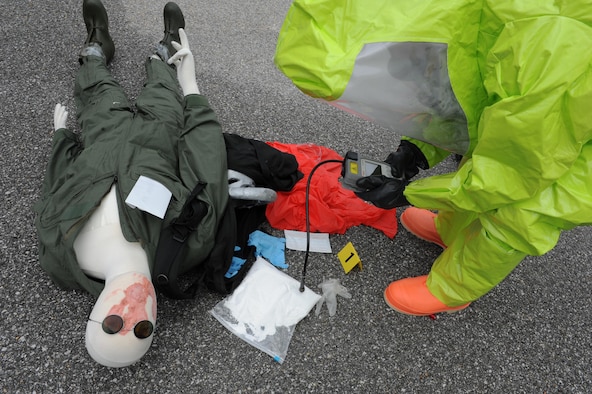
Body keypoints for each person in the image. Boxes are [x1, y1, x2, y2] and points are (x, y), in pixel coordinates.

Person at [274, 1, 592, 316]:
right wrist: (414, 151)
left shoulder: (543, 57)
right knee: (482, 151)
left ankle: (452, 289)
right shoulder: (481, 22)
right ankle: (451, 232)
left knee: (522, 212)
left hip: (568, 152)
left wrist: (408, 194)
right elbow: (471, 99)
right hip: (537, 123)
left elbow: (507, 174)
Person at [35, 0, 228, 366]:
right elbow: (207, 167)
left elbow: (56, 192)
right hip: (157, 138)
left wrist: (61, 140)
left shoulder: (62, 256)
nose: (132, 311)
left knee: (94, 84)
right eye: (142, 330)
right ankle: (164, 50)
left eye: (111, 324)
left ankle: (96, 44)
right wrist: (191, 88)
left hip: (104, 137)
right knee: (163, 84)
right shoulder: (183, 246)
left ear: (94, 313)